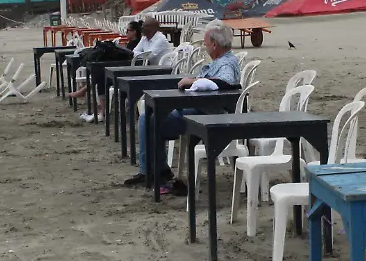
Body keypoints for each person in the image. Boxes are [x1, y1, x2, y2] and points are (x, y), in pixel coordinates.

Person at [124, 20, 242, 195]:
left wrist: (193, 81)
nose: (205, 46)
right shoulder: (222, 59)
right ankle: (152, 171)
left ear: (215, 45)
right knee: (147, 118)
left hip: (207, 115)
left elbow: (226, 81)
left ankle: (157, 173)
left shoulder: (226, 63)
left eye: (206, 43)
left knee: (151, 121)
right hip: (200, 109)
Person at [70, 20, 144, 122]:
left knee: (101, 77)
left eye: (128, 31)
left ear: (134, 32)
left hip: (129, 73)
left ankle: (100, 109)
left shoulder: (135, 44)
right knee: (101, 76)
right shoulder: (135, 43)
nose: (126, 33)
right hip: (127, 70)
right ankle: (97, 106)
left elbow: (132, 57)